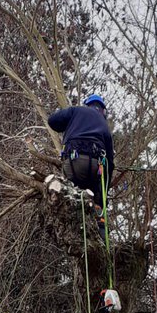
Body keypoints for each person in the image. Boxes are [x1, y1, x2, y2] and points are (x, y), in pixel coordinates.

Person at [47, 95, 114, 240]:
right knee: (96, 199)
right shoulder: (104, 125)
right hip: (96, 165)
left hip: (74, 162)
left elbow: (52, 121)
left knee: (72, 199)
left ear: (87, 105)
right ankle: (100, 224)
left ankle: (76, 232)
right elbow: (110, 164)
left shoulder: (75, 111)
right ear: (103, 110)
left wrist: (65, 126)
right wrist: (103, 197)